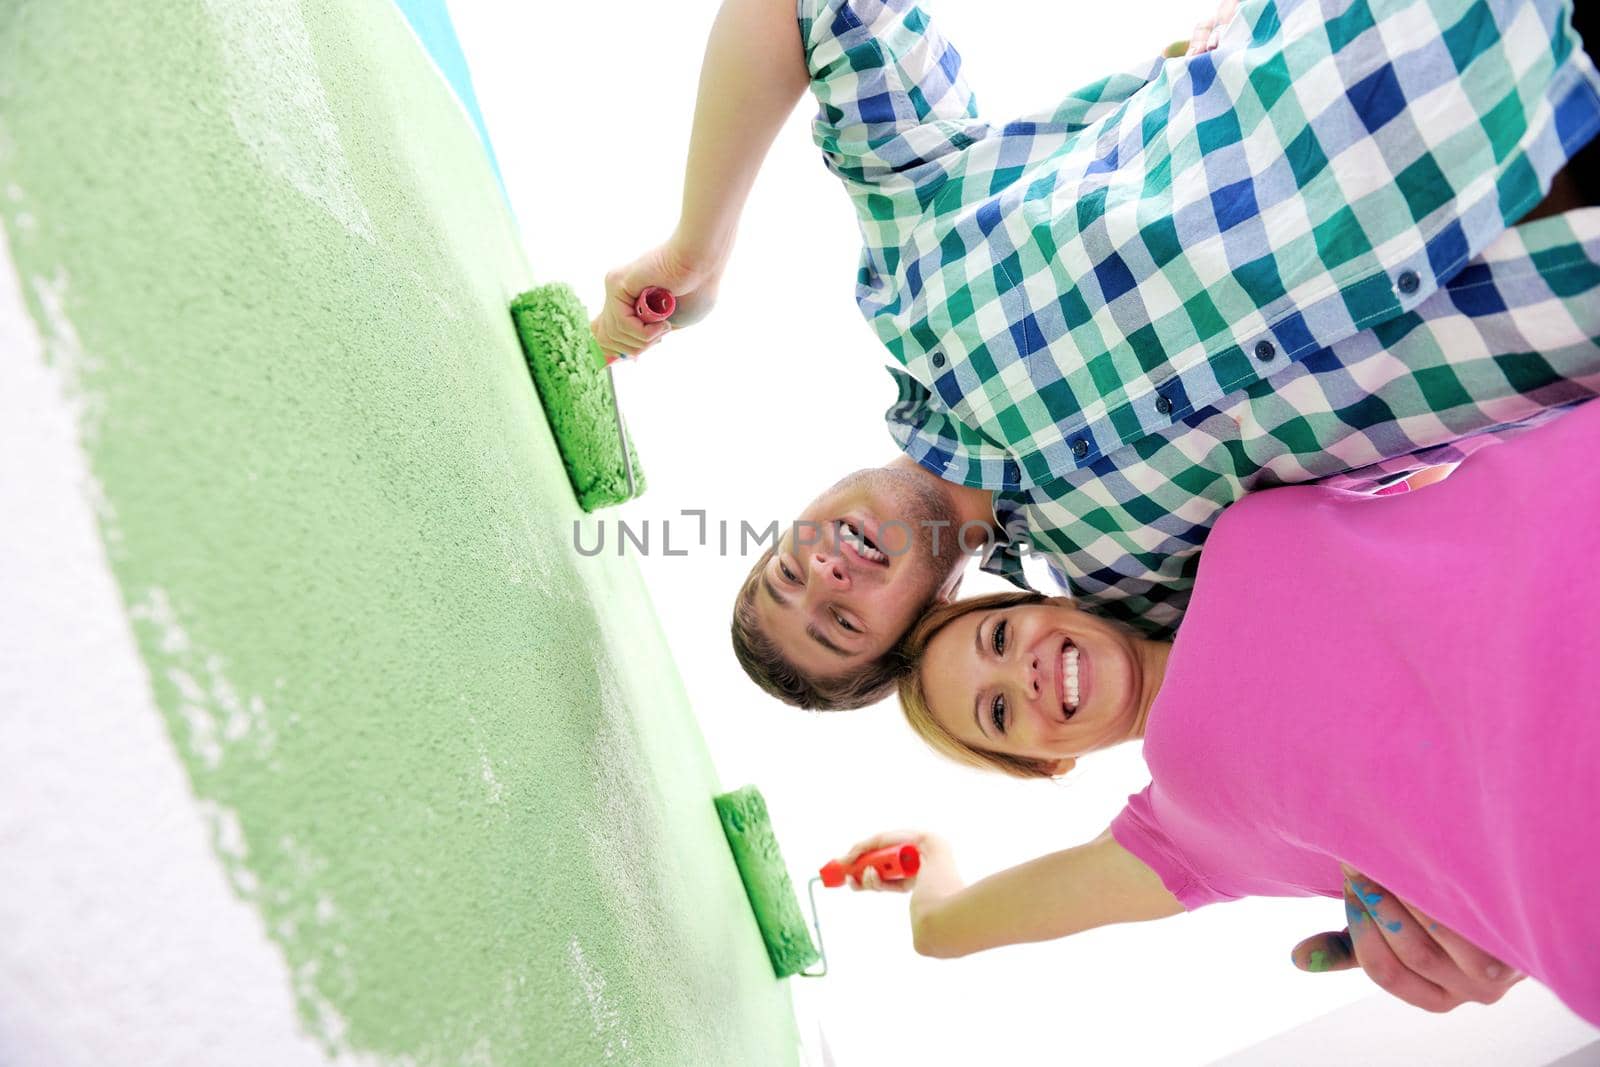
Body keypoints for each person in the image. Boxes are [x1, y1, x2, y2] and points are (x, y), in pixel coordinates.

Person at [591, 0, 1600, 711]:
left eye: (781, 568)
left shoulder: (914, 267)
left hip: (1448, 48)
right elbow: (1327, 704)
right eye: (839, 623)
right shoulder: (1134, 592)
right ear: (924, 621)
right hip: (1566, 290)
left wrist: (696, 251)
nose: (824, 574)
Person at [834, 397, 1600, 1024]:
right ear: (1047, 762)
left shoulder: (1235, 520)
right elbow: (944, 929)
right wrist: (932, 859)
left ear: (1050, 603)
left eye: (999, 636)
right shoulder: (1186, 827)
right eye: (997, 711)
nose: (1022, 673)